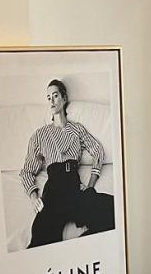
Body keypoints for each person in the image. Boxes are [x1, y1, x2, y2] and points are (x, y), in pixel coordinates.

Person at [18, 79, 115, 247]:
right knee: (42, 240)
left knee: (113, 211)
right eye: (48, 98)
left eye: (55, 96)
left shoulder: (77, 129)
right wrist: (34, 197)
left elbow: (98, 151)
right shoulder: (40, 134)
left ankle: (81, 246)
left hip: (73, 185)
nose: (52, 101)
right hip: (54, 188)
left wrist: (90, 185)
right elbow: (27, 171)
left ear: (64, 98)